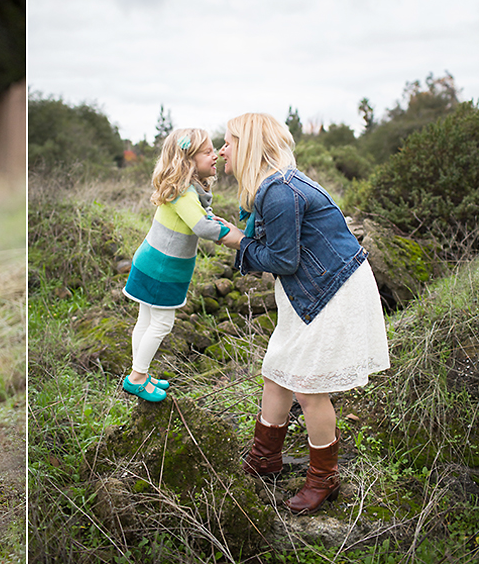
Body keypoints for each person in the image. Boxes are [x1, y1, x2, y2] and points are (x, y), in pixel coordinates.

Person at [218, 112, 389, 515]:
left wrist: (235, 239)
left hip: (332, 289)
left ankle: (323, 479)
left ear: (249, 145)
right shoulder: (273, 185)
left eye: (228, 141)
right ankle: (265, 460)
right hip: (311, 288)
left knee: (309, 387)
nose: (223, 148)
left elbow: (282, 260)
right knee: (277, 369)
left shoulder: (280, 190)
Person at [121, 128, 231, 402]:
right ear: (188, 161)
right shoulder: (183, 193)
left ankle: (141, 373)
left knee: (145, 321)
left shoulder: (184, 190)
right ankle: (136, 378)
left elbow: (201, 216)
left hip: (151, 263)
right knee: (161, 324)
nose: (216, 154)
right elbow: (202, 227)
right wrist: (237, 239)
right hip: (162, 271)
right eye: (207, 152)